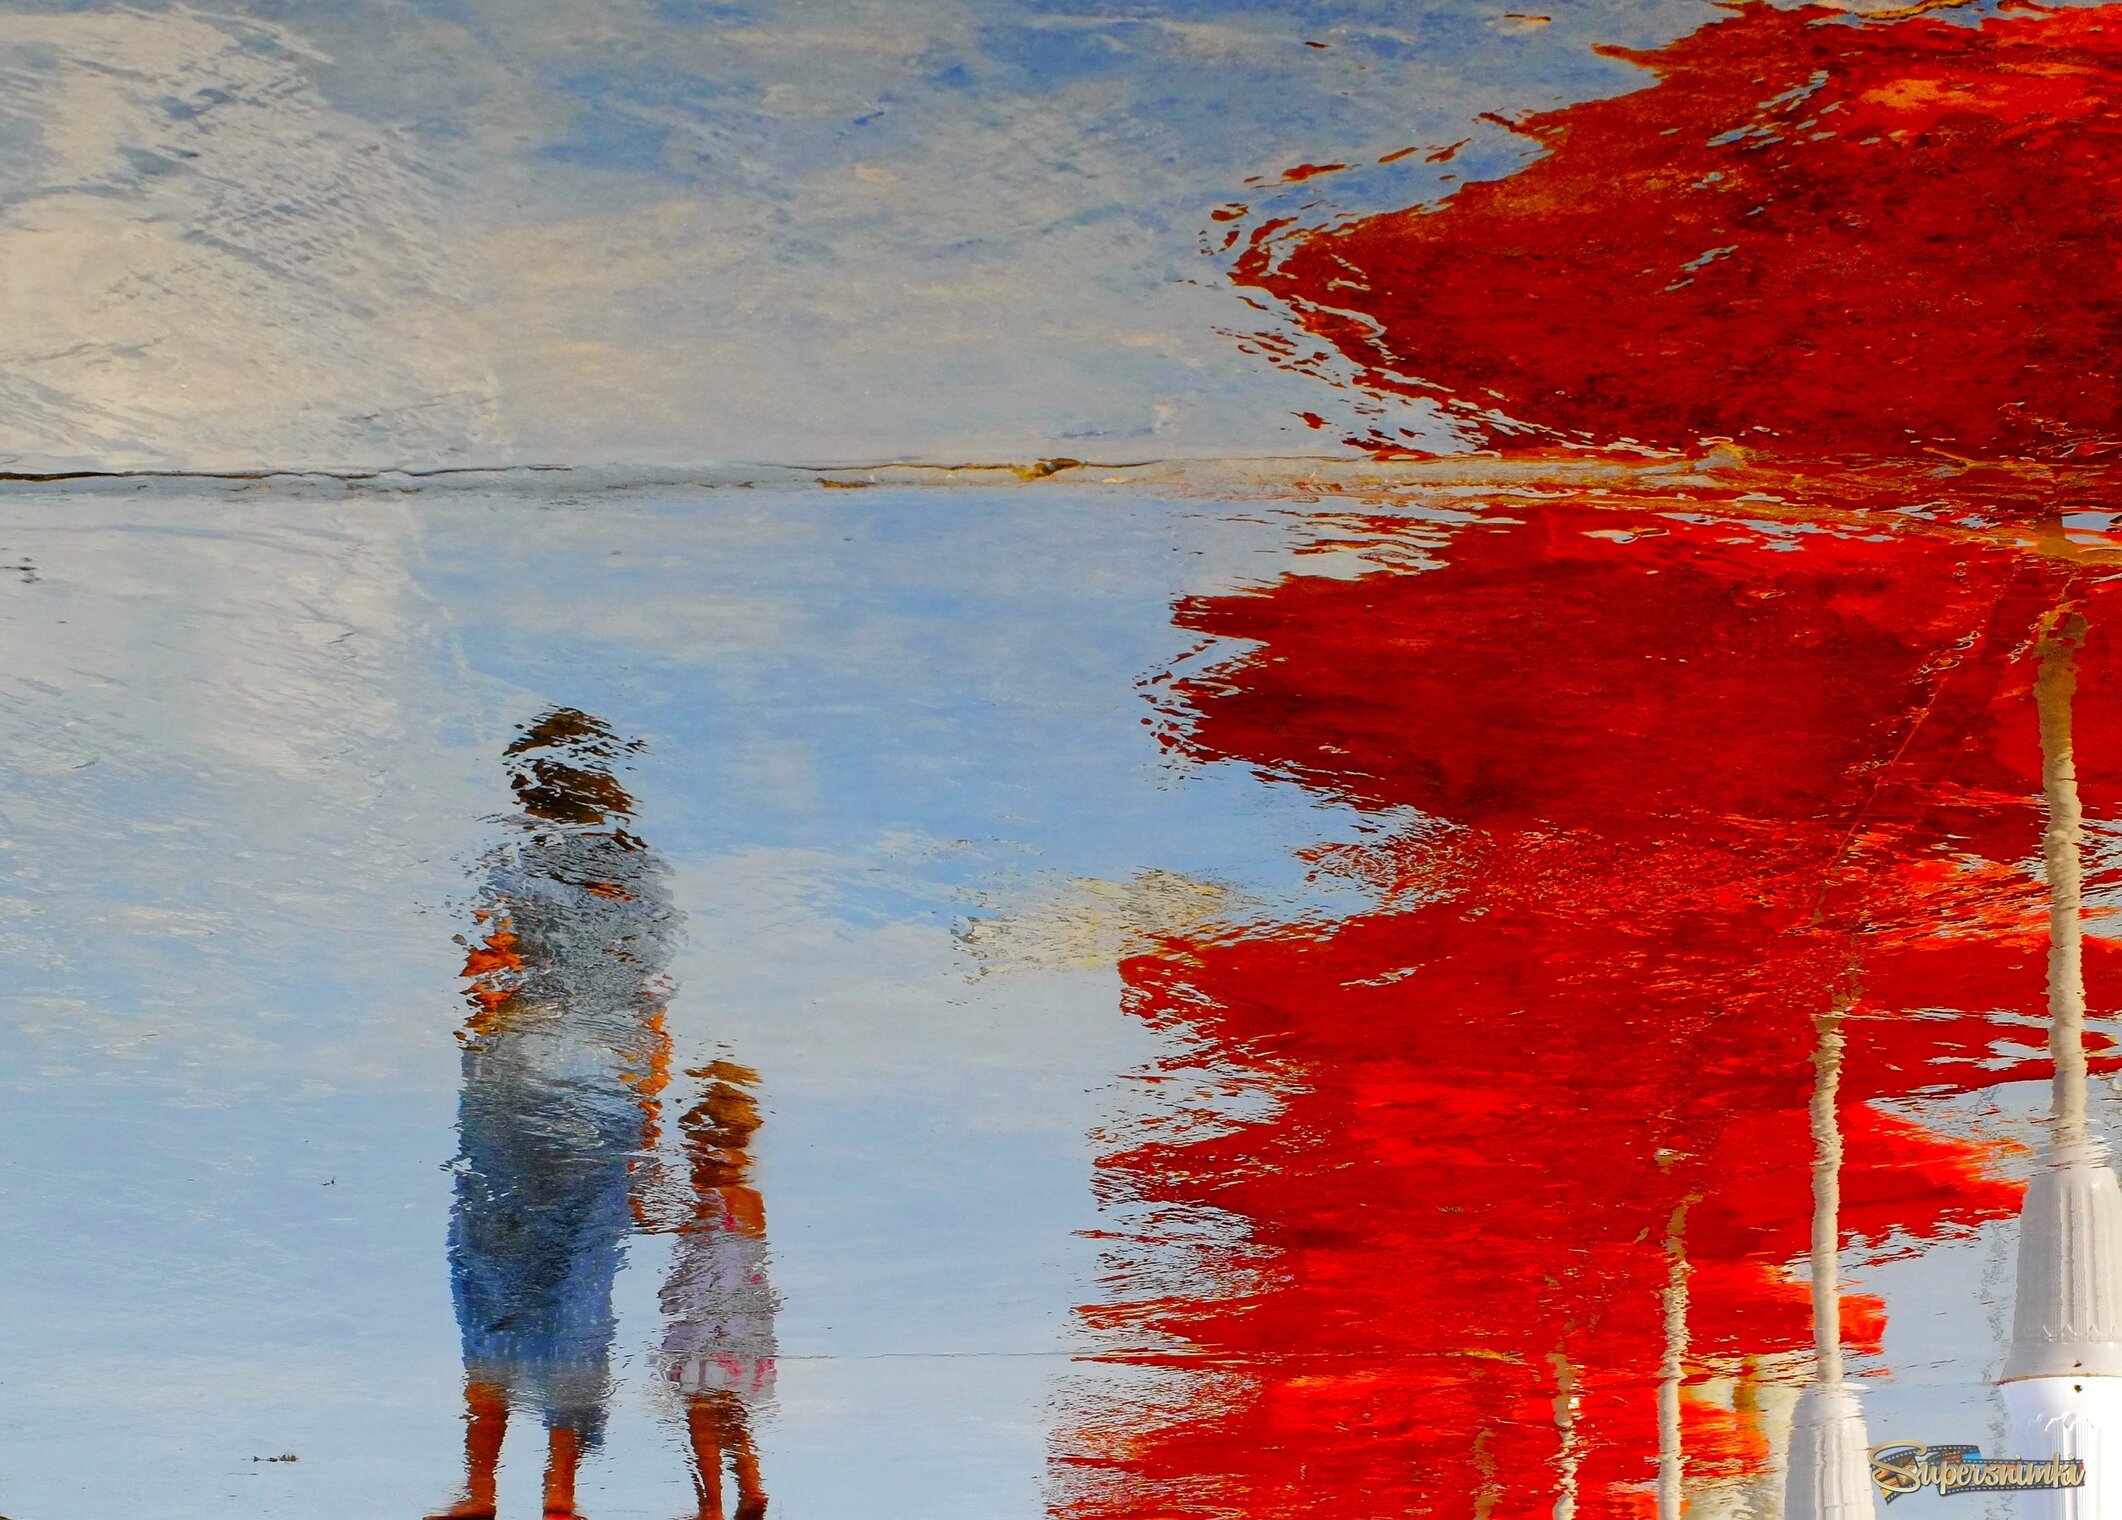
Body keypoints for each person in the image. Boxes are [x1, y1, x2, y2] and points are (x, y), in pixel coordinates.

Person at [428, 708, 676, 1520]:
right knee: (581, 1277)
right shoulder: (641, 880)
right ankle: (560, 1494)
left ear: (530, 784)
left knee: (491, 1271)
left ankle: (480, 1489)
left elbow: (486, 976)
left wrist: (484, 1038)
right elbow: (650, 1011)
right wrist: (647, 1122)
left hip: (518, 1072)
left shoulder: (513, 863)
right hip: (605, 1081)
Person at [656, 1056, 778, 1520]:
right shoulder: (751, 1199)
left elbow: (663, 1228)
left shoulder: (708, 1200)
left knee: (701, 1408)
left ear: (709, 1152)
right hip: (748, 1320)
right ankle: (751, 1484)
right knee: (733, 1405)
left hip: (711, 1320)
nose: (690, 1160)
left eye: (693, 1150)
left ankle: (711, 1504)